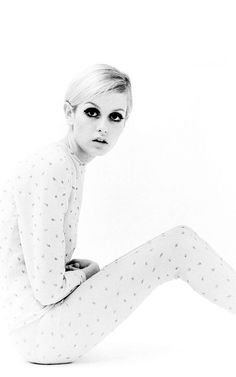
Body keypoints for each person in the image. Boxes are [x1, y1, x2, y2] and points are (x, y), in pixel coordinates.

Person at [0, 63, 236, 365]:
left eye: (115, 117)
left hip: (36, 330)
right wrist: (86, 273)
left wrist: (73, 271)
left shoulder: (69, 164)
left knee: (179, 243)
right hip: (42, 332)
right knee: (179, 245)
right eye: (92, 112)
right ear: (69, 113)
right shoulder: (55, 166)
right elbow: (47, 290)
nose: (103, 127)